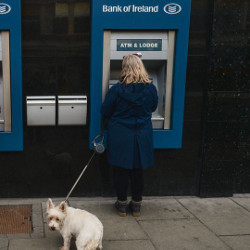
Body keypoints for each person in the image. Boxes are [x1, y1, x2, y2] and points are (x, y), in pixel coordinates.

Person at [101, 54, 158, 217]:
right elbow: (153, 108)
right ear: (141, 67)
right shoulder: (151, 89)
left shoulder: (117, 90)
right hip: (142, 134)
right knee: (138, 171)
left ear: (124, 68)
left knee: (120, 170)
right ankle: (136, 206)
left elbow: (105, 110)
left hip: (120, 135)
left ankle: (121, 204)